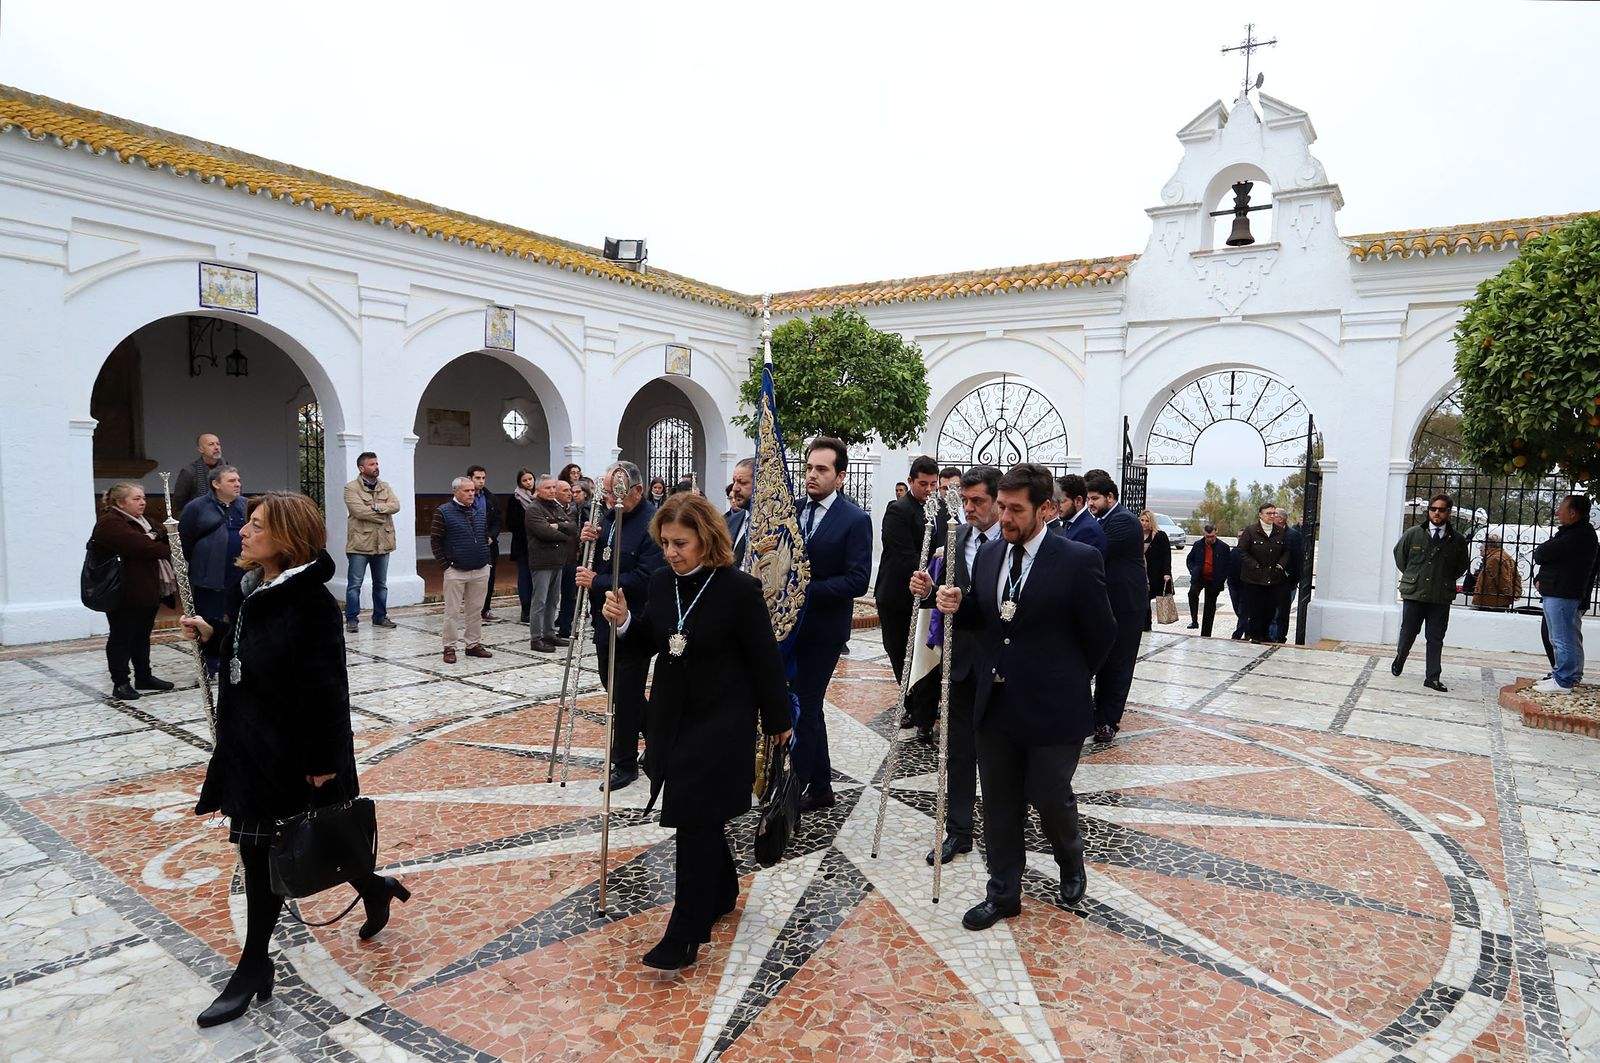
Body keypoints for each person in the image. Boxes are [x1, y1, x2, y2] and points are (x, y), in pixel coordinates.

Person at [183, 492, 409, 1028]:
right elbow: (251, 653)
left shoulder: (308, 601)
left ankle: (252, 966)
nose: (243, 531)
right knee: (281, 847)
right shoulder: (255, 587)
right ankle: (377, 889)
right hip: (251, 746)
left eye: (256, 525)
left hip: (295, 752)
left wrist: (323, 760)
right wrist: (214, 635)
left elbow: (327, 687)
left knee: (285, 849)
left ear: (286, 536)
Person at [599, 492, 791, 970]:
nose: (670, 552)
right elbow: (654, 639)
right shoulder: (662, 584)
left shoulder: (739, 589)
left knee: (691, 819)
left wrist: (780, 721)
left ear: (706, 538)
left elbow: (765, 659)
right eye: (664, 542)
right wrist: (624, 625)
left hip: (723, 722)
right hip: (673, 718)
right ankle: (723, 889)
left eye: (680, 542)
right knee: (699, 817)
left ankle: (685, 933)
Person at [935, 464, 1115, 931]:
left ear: (1047, 509)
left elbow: (1103, 635)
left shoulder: (1077, 559)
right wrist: (958, 603)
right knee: (999, 801)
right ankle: (1003, 894)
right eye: (1003, 508)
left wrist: (1068, 677)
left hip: (1055, 707)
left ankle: (1070, 861)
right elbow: (986, 617)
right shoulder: (992, 554)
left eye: (1016, 509)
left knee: (1048, 794)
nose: (1006, 517)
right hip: (995, 704)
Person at [908, 465, 1001, 866]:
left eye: (978, 500)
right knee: (958, 752)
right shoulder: (954, 537)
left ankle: (1004, 833)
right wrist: (928, 591)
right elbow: (944, 600)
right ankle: (958, 832)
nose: (969, 508)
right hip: (961, 661)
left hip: (1002, 666)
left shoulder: (1014, 541)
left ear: (999, 500)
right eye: (964, 500)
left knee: (1000, 757)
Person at [792, 437, 872, 811]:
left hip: (823, 631)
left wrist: (806, 589)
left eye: (821, 469)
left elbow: (857, 580)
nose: (812, 475)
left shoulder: (855, 520)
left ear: (840, 477)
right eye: (809, 467)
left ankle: (803, 783)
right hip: (788, 629)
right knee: (800, 706)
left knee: (807, 703)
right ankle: (820, 784)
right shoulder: (791, 511)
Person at [576, 461, 665, 790]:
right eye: (610, 492)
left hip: (635, 623)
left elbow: (645, 578)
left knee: (624, 694)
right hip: (604, 617)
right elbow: (599, 557)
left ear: (638, 490)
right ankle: (657, 737)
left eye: (619, 493)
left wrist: (596, 582)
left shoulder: (653, 524)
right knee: (612, 685)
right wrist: (587, 540)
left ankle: (624, 763)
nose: (612, 499)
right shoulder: (610, 516)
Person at [876, 456, 946, 728]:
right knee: (900, 653)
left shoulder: (939, 508)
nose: (929, 489)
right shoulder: (899, 510)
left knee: (926, 654)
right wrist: (929, 572)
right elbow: (904, 555)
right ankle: (911, 704)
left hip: (929, 595)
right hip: (898, 597)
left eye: (932, 484)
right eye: (923, 484)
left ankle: (924, 714)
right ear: (911, 481)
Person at [94, 483, 176, 700]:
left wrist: (153, 538)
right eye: (136, 499)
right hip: (123, 591)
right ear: (121, 502)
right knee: (122, 636)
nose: (142, 502)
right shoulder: (110, 522)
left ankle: (144, 676)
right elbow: (140, 547)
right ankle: (120, 682)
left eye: (143, 498)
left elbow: (164, 532)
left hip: (147, 588)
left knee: (142, 635)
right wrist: (156, 544)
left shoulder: (143, 521)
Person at [1084, 470, 1145, 744]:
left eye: (1095, 498)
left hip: (1125, 605)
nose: (1090, 504)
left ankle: (1108, 721)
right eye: (1087, 499)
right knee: (1101, 660)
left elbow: (1096, 551)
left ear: (1111, 497)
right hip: (1106, 603)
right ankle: (1095, 716)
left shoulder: (1124, 521)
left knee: (1118, 664)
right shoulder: (1099, 520)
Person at [1389, 493, 1471, 692]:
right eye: (1433, 509)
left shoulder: (1457, 540)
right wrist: (1414, 576)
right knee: (1408, 633)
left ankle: (1432, 677)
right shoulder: (1413, 534)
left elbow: (1461, 566)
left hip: (1440, 596)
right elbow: (1400, 557)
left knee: (1435, 638)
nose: (1436, 513)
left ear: (1448, 512)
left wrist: (1443, 579)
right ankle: (1400, 659)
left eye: (1441, 510)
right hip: (1415, 593)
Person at [179, 465, 247, 674]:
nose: (237, 484)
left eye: (238, 480)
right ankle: (209, 662)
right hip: (209, 577)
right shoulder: (196, 507)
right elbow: (185, 540)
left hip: (241, 577)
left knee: (240, 619)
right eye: (231, 481)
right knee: (208, 619)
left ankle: (239, 659)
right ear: (216, 484)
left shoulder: (246, 505)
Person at [1532, 494, 1599, 695]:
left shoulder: (1578, 535)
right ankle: (1567, 675)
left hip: (1563, 592)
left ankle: (1564, 679)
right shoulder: (1572, 532)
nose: (1557, 512)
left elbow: (1542, 553)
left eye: (1561, 508)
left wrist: (1543, 555)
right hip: (1558, 590)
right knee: (1561, 636)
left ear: (1572, 513)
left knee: (1562, 638)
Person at [430, 476, 493, 664]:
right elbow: (435, 540)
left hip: (480, 568)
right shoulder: (443, 512)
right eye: (467, 491)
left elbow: (483, 535)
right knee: (452, 611)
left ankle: (473, 644)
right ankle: (449, 647)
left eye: (473, 490)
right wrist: (446, 566)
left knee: (475, 610)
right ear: (455, 491)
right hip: (455, 570)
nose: (471, 494)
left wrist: (486, 560)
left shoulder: (479, 511)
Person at [342, 451, 400, 633]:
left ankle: (380, 617)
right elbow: (358, 511)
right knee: (354, 585)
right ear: (362, 468)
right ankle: (352, 619)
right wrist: (382, 515)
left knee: (381, 584)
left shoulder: (385, 486)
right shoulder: (351, 488)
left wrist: (375, 507)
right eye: (372, 464)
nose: (376, 467)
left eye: (377, 463)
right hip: (360, 544)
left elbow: (396, 506)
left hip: (383, 543)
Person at [526, 473, 576, 652]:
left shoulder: (556, 506)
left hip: (558, 560)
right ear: (538, 490)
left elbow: (572, 526)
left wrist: (558, 525)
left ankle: (549, 633)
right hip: (542, 561)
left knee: (553, 600)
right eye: (547, 488)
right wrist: (563, 533)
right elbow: (544, 532)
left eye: (553, 487)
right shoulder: (534, 508)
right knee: (539, 601)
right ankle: (536, 638)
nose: (552, 490)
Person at [1236, 502, 1289, 645]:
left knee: (1270, 608)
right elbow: (1242, 551)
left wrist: (1280, 566)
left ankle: (1265, 634)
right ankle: (1255, 635)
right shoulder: (1251, 531)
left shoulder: (1280, 531)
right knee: (1255, 608)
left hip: (1273, 577)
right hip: (1254, 577)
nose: (1271, 516)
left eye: (1273, 513)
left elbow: (1286, 551)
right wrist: (1254, 565)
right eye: (1268, 513)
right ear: (1260, 514)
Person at [556, 477, 593, 638]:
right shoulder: (572, 508)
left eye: (578, 492)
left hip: (579, 553)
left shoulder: (586, 508)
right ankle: (565, 619)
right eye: (572, 491)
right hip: (570, 553)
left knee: (573, 590)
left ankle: (573, 617)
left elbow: (577, 530)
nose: (574, 494)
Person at [467, 465, 504, 623]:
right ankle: (472, 610)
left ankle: (486, 609)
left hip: (488, 544)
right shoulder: (463, 497)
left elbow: (497, 521)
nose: (481, 481)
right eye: (477, 478)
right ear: (469, 478)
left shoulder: (491, 498)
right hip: (469, 544)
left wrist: (491, 536)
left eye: (483, 478)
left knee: (489, 577)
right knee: (470, 578)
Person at [1185, 524, 1231, 636]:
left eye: (1212, 536)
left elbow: (1227, 565)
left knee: (1210, 606)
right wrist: (1193, 570)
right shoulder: (1198, 545)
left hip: (1214, 580)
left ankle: (1206, 633)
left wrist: (1221, 578)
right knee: (1192, 593)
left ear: (1216, 534)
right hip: (1199, 577)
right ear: (1204, 535)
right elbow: (1189, 559)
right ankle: (1194, 620)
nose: (1210, 539)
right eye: (1207, 537)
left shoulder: (1223, 547)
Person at [507, 468, 539, 624]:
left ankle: (537, 608)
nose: (528, 482)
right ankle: (525, 608)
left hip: (539, 545)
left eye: (530, 479)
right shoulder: (515, 499)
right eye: (525, 480)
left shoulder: (538, 498)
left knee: (538, 578)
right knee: (525, 577)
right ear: (520, 482)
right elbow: (511, 523)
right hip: (523, 545)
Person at [1268, 507, 1304, 643]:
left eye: (1274, 514)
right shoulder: (1268, 533)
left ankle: (1278, 637)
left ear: (1281, 519)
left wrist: (1293, 579)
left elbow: (1298, 559)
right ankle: (1269, 637)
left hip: (1287, 581)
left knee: (1281, 613)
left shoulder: (1293, 535)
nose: (1272, 516)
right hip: (1270, 580)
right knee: (1269, 611)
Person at [171, 432, 225, 518]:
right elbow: (179, 502)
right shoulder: (189, 472)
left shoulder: (228, 471)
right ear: (200, 449)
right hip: (197, 519)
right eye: (211, 444)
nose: (216, 447)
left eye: (218, 444)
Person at [1139, 509, 1172, 632]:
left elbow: (1166, 555)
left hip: (1154, 574)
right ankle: (1144, 624)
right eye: (1142, 520)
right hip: (1141, 573)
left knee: (1147, 597)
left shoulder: (1160, 536)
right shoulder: (1136, 534)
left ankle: (1146, 625)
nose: (1144, 523)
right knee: (1143, 598)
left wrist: (1166, 572)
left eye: (1147, 521)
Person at [1058, 474, 1108, 555]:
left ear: (1078, 501)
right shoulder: (1069, 522)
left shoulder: (1088, 531)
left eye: (1062, 501)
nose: (1057, 506)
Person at [1471, 533, 1522, 610]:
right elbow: (1516, 576)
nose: (1480, 547)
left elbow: (1502, 580)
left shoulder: (1494, 559)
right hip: (1497, 601)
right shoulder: (1504, 555)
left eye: (1483, 544)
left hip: (1492, 602)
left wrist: (1511, 594)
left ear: (1490, 547)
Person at [725, 457, 754, 567]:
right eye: (734, 482)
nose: (735, 488)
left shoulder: (777, 525)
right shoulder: (730, 522)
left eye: (742, 482)